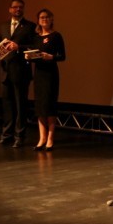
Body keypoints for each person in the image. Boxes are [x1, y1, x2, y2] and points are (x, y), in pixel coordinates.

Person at [0, 0, 36, 148]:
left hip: (21, 72)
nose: (18, 9)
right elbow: (0, 44)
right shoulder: (3, 25)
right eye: (15, 7)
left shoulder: (30, 26)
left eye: (21, 7)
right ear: (10, 9)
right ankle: (6, 136)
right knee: (7, 106)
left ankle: (19, 137)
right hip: (5, 71)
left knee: (21, 106)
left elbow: (34, 47)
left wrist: (19, 47)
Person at [26, 8, 66, 151]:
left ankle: (50, 138)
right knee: (40, 106)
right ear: (38, 20)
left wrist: (51, 57)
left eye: (47, 17)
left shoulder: (56, 36)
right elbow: (33, 55)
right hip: (39, 74)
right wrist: (28, 57)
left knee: (49, 106)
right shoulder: (35, 38)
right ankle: (42, 138)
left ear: (51, 19)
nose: (45, 19)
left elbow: (62, 56)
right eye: (42, 17)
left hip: (50, 74)